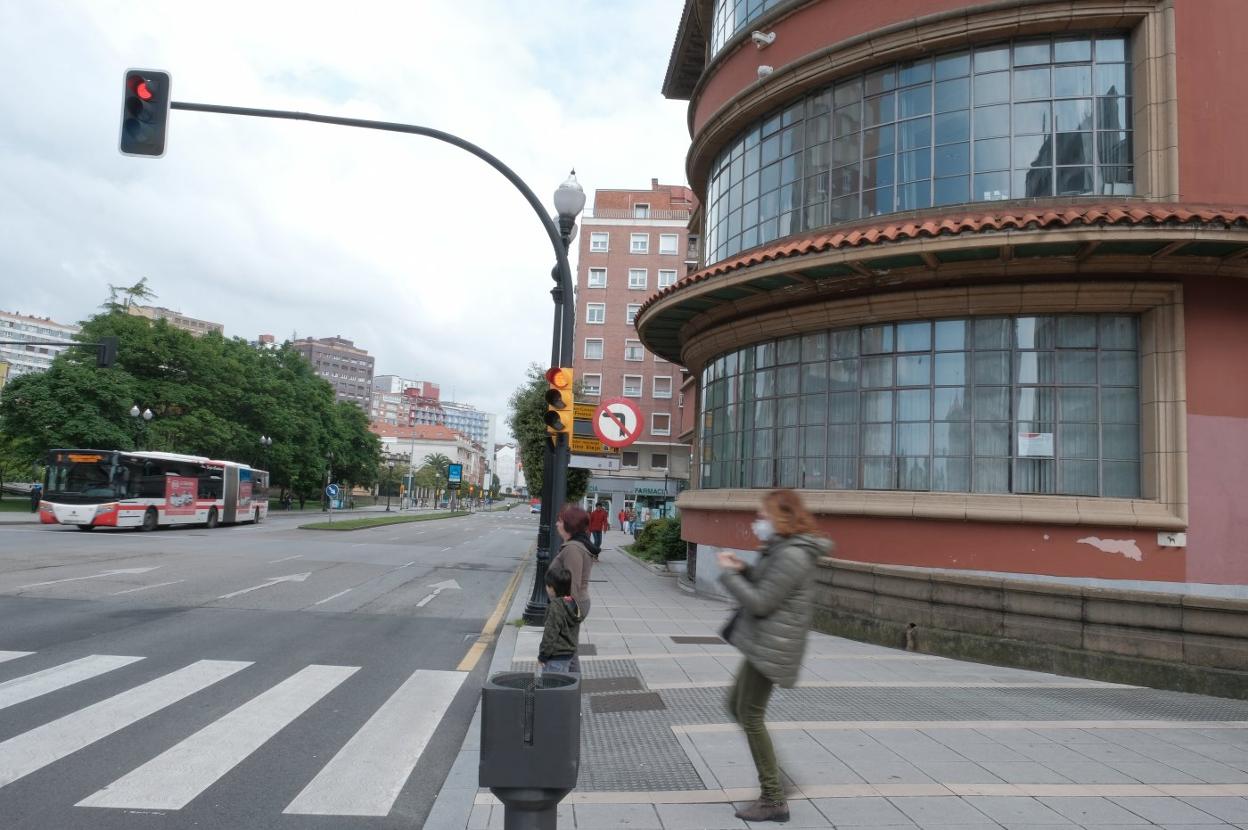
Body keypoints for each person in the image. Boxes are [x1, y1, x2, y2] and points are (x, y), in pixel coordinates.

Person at [716, 489, 833, 823]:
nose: (759, 522)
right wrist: (744, 569)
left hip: (773, 646)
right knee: (735, 705)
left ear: (782, 517)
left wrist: (727, 575)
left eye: (764, 516)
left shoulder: (793, 555)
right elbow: (769, 586)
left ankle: (773, 797)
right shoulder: (783, 548)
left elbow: (762, 603)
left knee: (749, 714)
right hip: (765, 642)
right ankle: (775, 779)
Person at [549, 504, 598, 671]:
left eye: (560, 521)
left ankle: (563, 691)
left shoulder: (573, 549)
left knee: (564, 654)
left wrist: (562, 615)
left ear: (569, 525)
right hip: (572, 605)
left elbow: (572, 585)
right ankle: (571, 692)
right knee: (570, 652)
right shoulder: (574, 546)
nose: (557, 524)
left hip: (570, 605)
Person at [538, 564, 581, 674]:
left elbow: (550, 633)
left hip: (555, 656)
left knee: (551, 687)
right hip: (568, 655)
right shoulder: (573, 602)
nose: (546, 588)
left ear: (552, 588)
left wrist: (543, 655)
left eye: (547, 586)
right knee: (562, 685)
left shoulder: (555, 606)